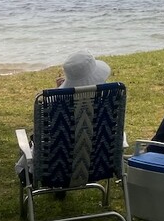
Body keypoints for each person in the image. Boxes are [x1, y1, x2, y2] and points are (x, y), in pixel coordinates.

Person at [15, 51, 112, 179]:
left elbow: (51, 132)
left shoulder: (56, 106)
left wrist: (60, 93)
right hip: (99, 163)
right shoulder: (108, 101)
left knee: (35, 138)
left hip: (56, 169)